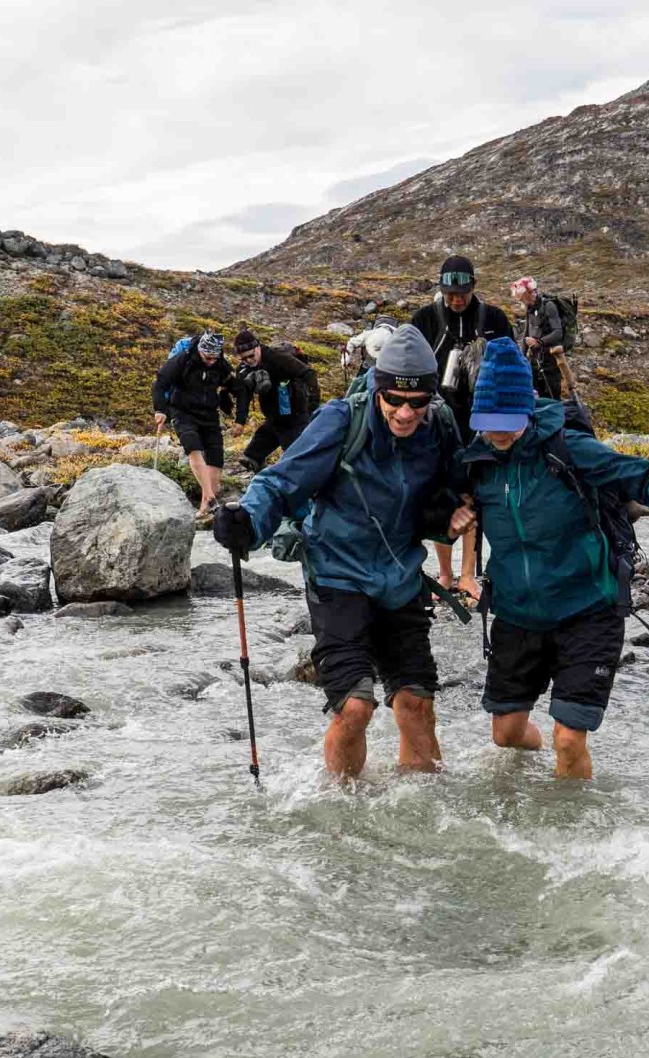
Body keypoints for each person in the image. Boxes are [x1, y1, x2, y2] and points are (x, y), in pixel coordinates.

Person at [211, 325, 462, 783]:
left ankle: (425, 809)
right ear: (378, 387)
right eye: (394, 400)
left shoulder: (439, 427)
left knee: (416, 702)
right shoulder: (342, 420)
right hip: (337, 576)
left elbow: (461, 483)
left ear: (431, 396)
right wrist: (246, 521)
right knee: (355, 706)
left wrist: (457, 511)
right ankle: (341, 808)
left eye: (417, 402)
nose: (406, 412)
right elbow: (282, 482)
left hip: (400, 577)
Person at [447, 339, 649, 781]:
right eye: (488, 423)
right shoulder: (476, 461)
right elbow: (442, 507)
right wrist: (454, 518)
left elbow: (636, 478)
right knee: (505, 734)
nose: (497, 433)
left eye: (506, 422)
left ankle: (571, 832)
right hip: (518, 615)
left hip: (587, 611)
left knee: (569, 738)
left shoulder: (568, 449)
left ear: (527, 409)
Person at [409, 256, 511, 598]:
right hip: (436, 420)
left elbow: (510, 362)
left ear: (473, 287)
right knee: (441, 495)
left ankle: (468, 575)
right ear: (441, 289)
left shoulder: (493, 318)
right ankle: (445, 575)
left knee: (471, 495)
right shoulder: (425, 319)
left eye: (463, 293)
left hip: (481, 422)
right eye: (451, 293)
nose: (457, 299)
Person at [152, 331, 235, 515]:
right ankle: (211, 499)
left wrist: (227, 398)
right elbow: (161, 382)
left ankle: (206, 506)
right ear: (200, 351)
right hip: (182, 410)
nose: (211, 361)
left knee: (216, 454)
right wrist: (160, 409)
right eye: (208, 358)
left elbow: (231, 382)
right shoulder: (183, 360)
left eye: (215, 358)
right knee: (193, 446)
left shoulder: (219, 362)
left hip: (208, 412)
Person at [229, 330, 321, 475]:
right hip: (273, 417)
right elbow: (243, 396)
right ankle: (265, 478)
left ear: (258, 347)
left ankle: (309, 487)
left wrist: (313, 406)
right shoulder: (244, 370)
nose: (249, 361)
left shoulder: (277, 359)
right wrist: (240, 421)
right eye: (243, 358)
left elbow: (308, 374)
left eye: (251, 356)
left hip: (295, 415)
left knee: (297, 460)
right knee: (251, 456)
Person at [511, 276, 569, 401]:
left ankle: (554, 416)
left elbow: (558, 332)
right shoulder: (530, 308)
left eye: (521, 298)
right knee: (535, 394)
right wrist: (521, 357)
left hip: (551, 360)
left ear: (528, 293)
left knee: (552, 396)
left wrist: (539, 342)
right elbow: (527, 333)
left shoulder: (549, 306)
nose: (521, 301)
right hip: (535, 360)